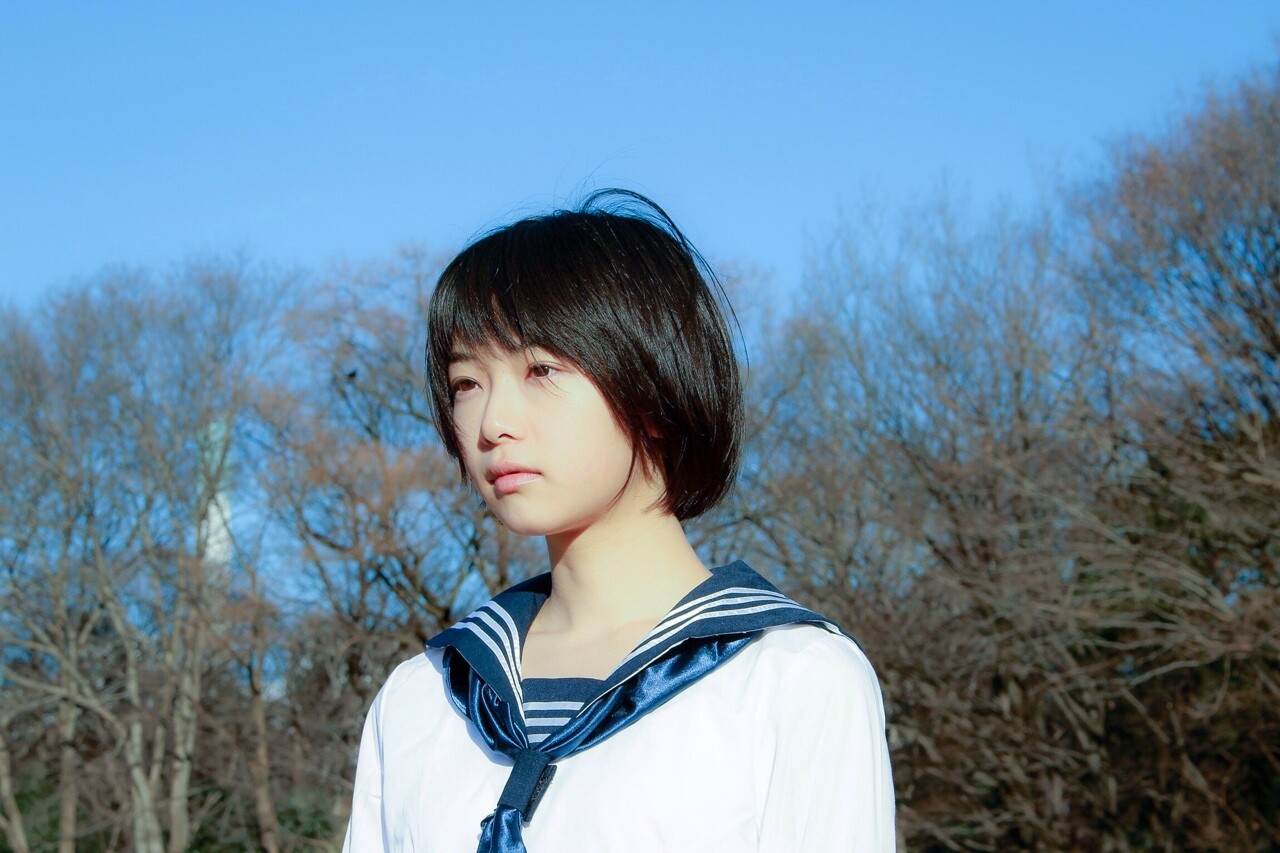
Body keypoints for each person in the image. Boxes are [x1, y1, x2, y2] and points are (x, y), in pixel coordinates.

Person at [343, 190, 895, 851]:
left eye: (541, 369)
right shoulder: (423, 698)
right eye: (467, 383)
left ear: (654, 390)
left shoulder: (789, 680)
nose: (492, 423)